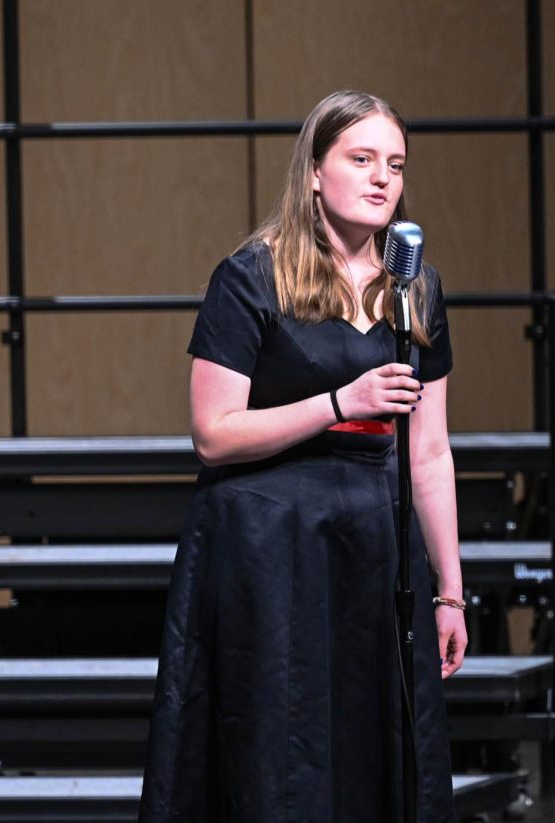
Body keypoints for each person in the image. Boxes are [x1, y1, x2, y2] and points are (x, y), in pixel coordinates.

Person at [138, 90, 466, 822]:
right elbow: (214, 432)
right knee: (280, 752)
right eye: (361, 159)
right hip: (272, 549)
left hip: (374, 546)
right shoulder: (252, 277)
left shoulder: (414, 290)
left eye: (395, 164)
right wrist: (338, 404)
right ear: (315, 171)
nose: (383, 178)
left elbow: (432, 449)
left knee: (376, 748)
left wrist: (450, 587)